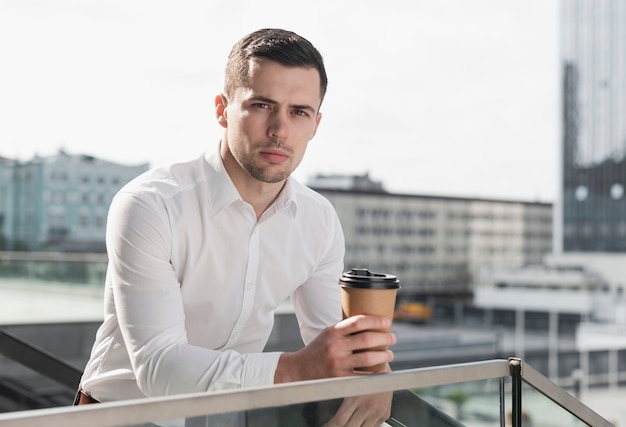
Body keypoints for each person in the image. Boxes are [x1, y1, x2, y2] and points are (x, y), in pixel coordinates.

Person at [76, 28, 395, 426]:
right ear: (222, 109)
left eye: (299, 112)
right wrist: (295, 369)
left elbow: (330, 342)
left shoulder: (319, 220)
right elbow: (159, 368)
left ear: (315, 123)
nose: (280, 129)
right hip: (119, 417)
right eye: (262, 105)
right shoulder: (149, 204)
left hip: (227, 417)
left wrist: (374, 373)